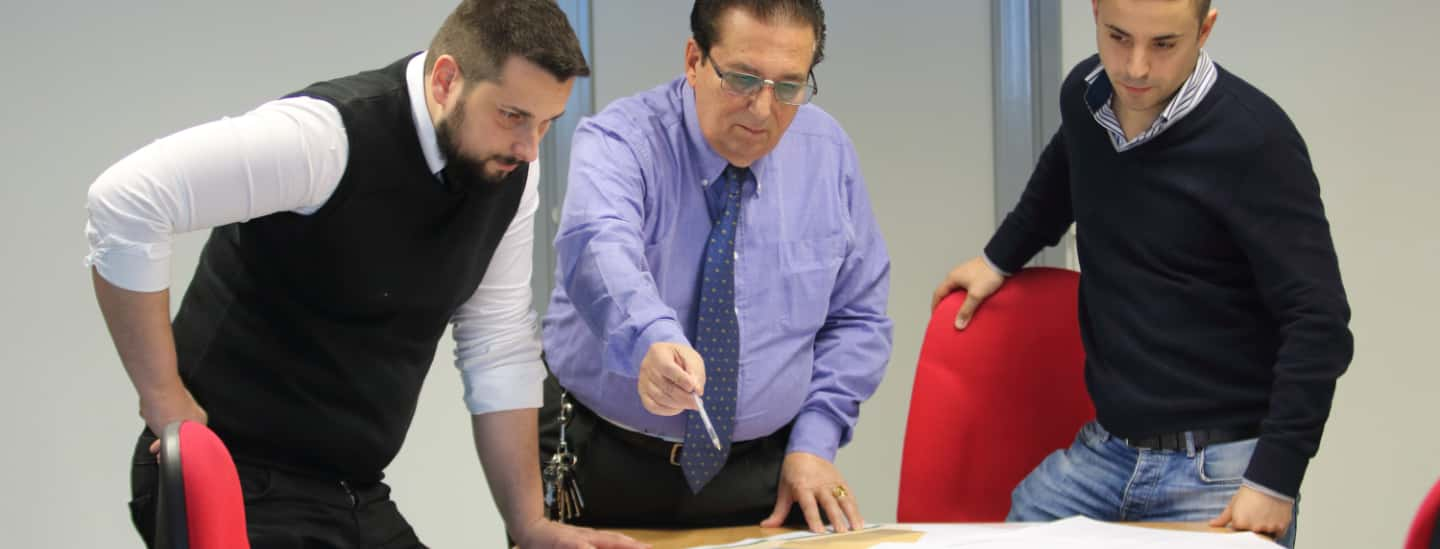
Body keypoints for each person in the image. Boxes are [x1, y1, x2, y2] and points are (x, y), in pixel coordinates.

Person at [85, 1, 643, 547]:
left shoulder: (510, 170)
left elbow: (497, 344)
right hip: (236, 478)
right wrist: (163, 398)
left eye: (547, 123)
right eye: (512, 116)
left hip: (351, 492)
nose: (528, 146)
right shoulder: (325, 136)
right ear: (446, 79)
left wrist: (531, 526)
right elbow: (126, 201)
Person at [931, 0, 1352, 546]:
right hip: (1106, 450)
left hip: (1221, 465)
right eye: (1117, 36)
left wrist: (1275, 478)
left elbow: (1319, 319)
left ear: (1205, 30)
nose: (1134, 67)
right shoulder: (1085, 95)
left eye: (1163, 45)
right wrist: (998, 258)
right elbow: (1065, 168)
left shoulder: (1256, 140)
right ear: (1095, 13)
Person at [538, 0, 892, 533]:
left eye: (789, 86)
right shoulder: (621, 141)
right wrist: (649, 340)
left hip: (764, 473)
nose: (763, 110)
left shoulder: (827, 153)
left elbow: (858, 316)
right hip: (603, 459)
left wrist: (815, 442)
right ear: (693, 60)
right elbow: (598, 248)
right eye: (743, 80)